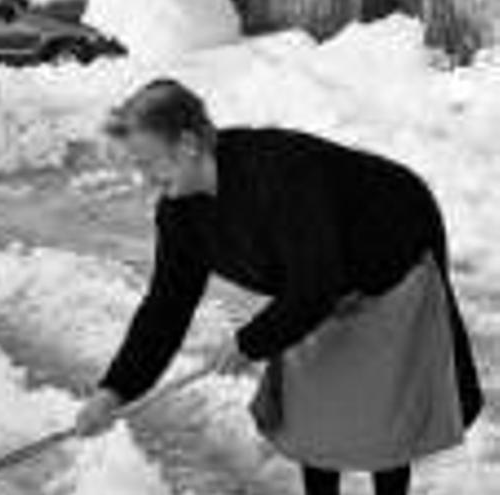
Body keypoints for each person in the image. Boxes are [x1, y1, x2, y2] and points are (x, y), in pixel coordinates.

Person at [73, 78, 484, 495]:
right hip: (316, 277)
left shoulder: (279, 173)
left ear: (188, 144)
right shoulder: (180, 213)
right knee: (313, 411)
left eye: (148, 163)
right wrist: (114, 391)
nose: (143, 179)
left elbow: (315, 285)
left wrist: (251, 341)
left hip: (390, 251)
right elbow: (166, 306)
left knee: (383, 413)